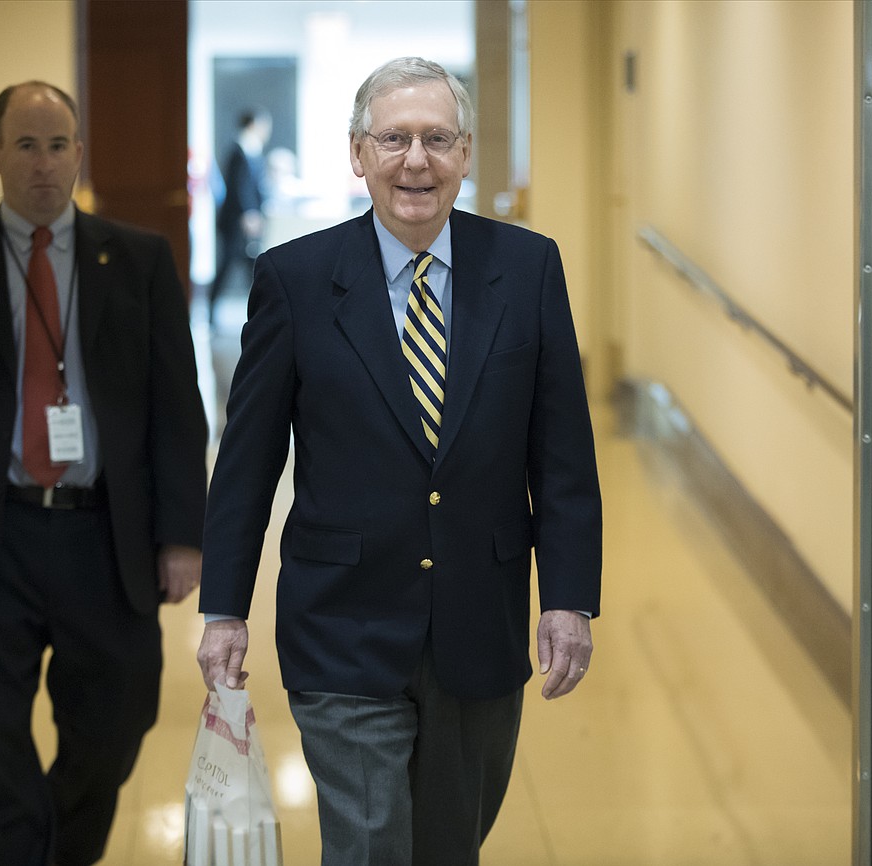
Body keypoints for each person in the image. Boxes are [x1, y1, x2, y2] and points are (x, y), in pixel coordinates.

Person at [196, 57, 602, 866]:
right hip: (342, 619)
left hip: (477, 619)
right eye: (394, 139)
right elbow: (246, 461)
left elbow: (561, 453)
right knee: (372, 841)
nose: (415, 159)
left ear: (466, 153)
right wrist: (224, 607)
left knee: (451, 844)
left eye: (437, 139)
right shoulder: (298, 279)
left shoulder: (527, 269)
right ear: (358, 153)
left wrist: (568, 598)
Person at [0, 81, 208, 866]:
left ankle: (57, 852)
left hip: (105, 533)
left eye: (58, 144)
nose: (43, 164)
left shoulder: (138, 260)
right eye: (25, 145)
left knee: (117, 725)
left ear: (79, 153)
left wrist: (183, 536)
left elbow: (175, 408)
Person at [207, 107, 271, 326]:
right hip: (236, 222)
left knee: (251, 267)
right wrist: (249, 214)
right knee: (227, 265)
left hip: (246, 220)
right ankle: (210, 311)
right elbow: (239, 187)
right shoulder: (238, 150)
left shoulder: (253, 149)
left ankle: (260, 313)